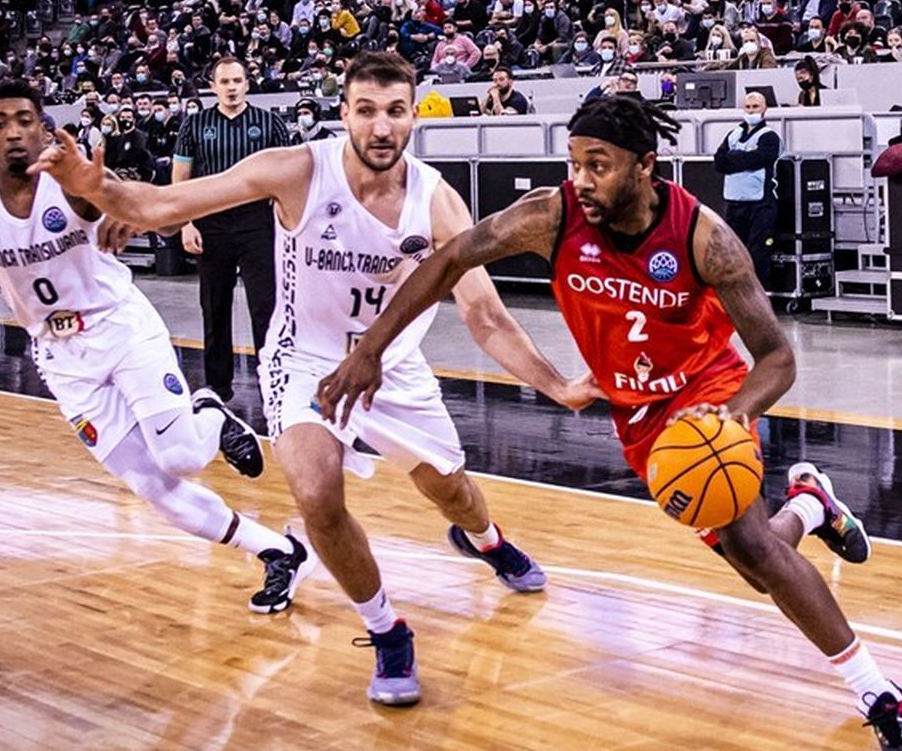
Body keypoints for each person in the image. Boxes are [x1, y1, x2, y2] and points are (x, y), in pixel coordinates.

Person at [314, 95, 902, 751]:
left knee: (752, 546)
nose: (580, 178)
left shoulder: (705, 238)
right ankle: (812, 505)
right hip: (639, 416)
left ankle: (887, 700)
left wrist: (734, 416)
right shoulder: (550, 217)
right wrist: (371, 348)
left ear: (647, 165)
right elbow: (449, 258)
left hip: (707, 399)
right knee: (753, 560)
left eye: (599, 165)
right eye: (575, 161)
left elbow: (776, 358)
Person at [31, 52, 599, 708]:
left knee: (453, 492)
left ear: (415, 116)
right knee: (316, 493)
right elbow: (164, 203)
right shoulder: (299, 169)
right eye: (366, 110)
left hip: (395, 368)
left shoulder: (436, 199)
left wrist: (555, 383)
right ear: (344, 114)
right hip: (304, 360)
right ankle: (387, 628)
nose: (380, 127)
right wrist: (92, 185)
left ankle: (486, 540)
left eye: (394, 111)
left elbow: (485, 313)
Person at [0, 81, 314, 614]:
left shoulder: (70, 179)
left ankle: (209, 410)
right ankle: (280, 552)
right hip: (59, 355)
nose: (12, 132)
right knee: (155, 489)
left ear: (42, 126)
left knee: (182, 457)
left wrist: (122, 207)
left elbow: (127, 196)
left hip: (119, 327)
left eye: (23, 119)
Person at [173, 57, 291, 405]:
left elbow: (288, 176)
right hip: (211, 222)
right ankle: (218, 388)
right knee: (215, 306)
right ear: (213, 87)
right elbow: (181, 179)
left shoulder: (268, 123)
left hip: (258, 222)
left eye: (237, 80)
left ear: (247, 84)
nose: (231, 87)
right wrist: (186, 222)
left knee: (266, 307)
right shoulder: (195, 125)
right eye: (224, 81)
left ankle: (274, 382)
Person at [713, 91, 782, 288]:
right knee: (733, 252)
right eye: (748, 107)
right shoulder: (733, 134)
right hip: (734, 203)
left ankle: (759, 297)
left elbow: (761, 158)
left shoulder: (769, 137)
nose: (751, 111)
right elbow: (719, 162)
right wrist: (744, 158)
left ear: (764, 109)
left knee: (758, 252)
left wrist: (734, 157)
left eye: (755, 107)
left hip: (761, 204)